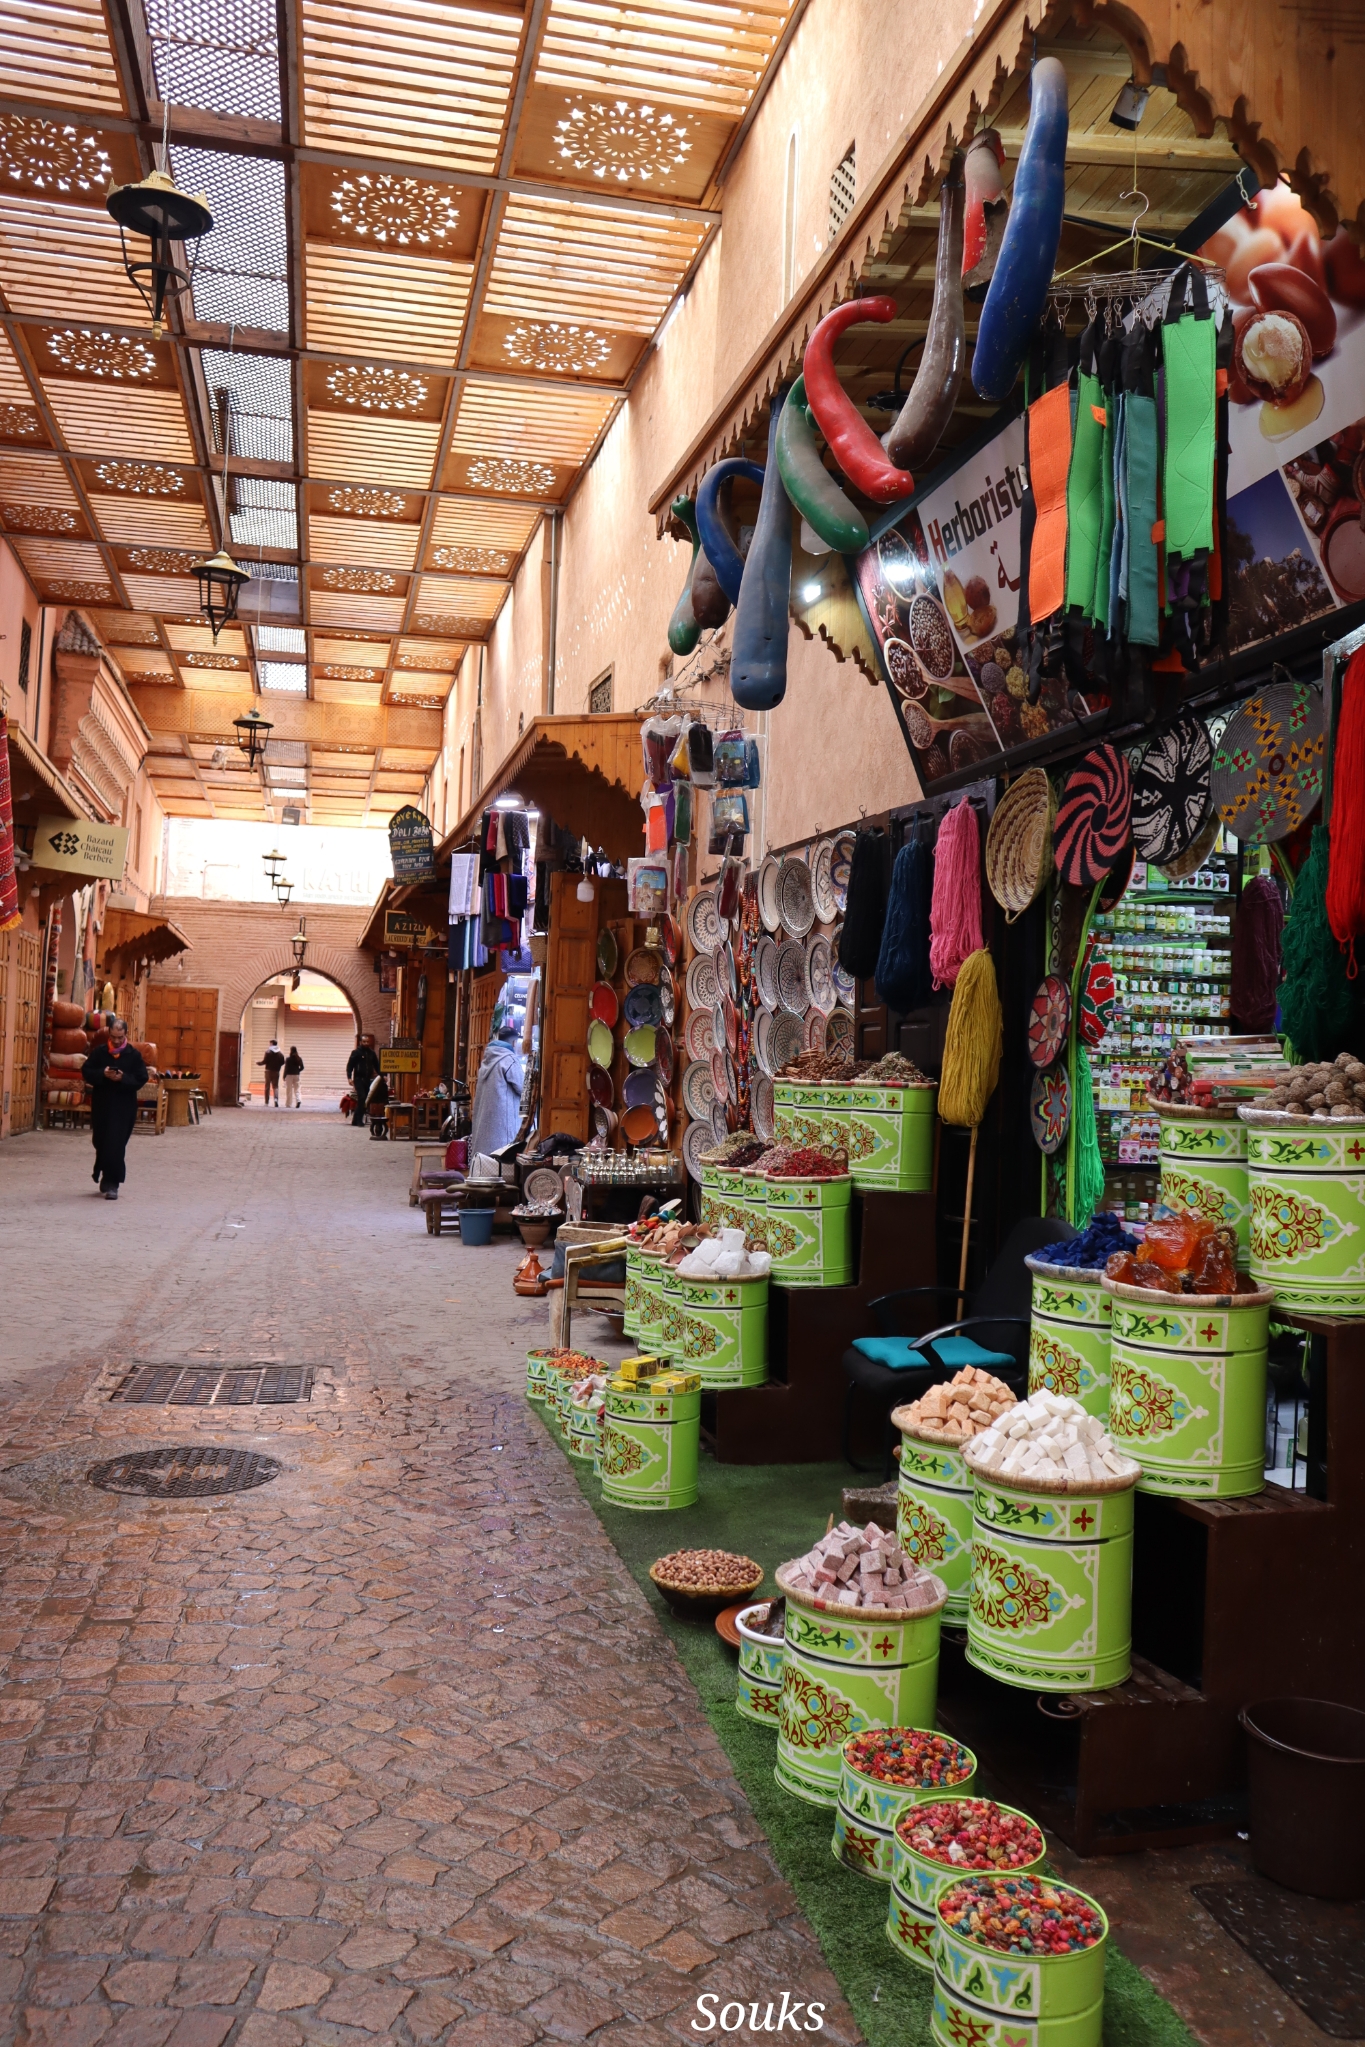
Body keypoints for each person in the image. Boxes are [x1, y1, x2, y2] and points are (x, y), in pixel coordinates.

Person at [82, 1018, 148, 1200]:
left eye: (120, 1037)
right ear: (109, 1034)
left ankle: (113, 1183)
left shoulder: (133, 1055)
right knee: (101, 1141)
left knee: (116, 1144)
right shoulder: (100, 1053)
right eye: (113, 1037)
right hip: (102, 1105)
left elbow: (141, 1077)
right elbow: (86, 1071)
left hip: (123, 1108)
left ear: (126, 1035)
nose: (117, 1041)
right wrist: (102, 1074)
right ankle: (104, 1174)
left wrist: (123, 1078)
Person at [346, 1034, 380, 1127]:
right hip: (358, 1079)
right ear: (361, 1042)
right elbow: (350, 1066)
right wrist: (349, 1077)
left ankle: (355, 1120)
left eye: (367, 1042)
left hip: (367, 1079)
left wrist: (382, 1075)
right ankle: (359, 1120)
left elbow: (376, 1066)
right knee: (362, 1097)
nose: (366, 1043)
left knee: (364, 1100)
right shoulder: (356, 1053)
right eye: (364, 1042)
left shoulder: (371, 1053)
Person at [258, 1039, 285, 1106]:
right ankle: (276, 1100)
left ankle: (266, 1102)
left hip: (268, 1071)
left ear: (272, 1044)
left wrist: (259, 1063)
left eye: (270, 1043)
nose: (269, 1045)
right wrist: (277, 1066)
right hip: (276, 1071)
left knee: (267, 1086)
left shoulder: (268, 1052)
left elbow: (264, 1061)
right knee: (275, 1086)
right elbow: (283, 1062)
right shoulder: (280, 1053)